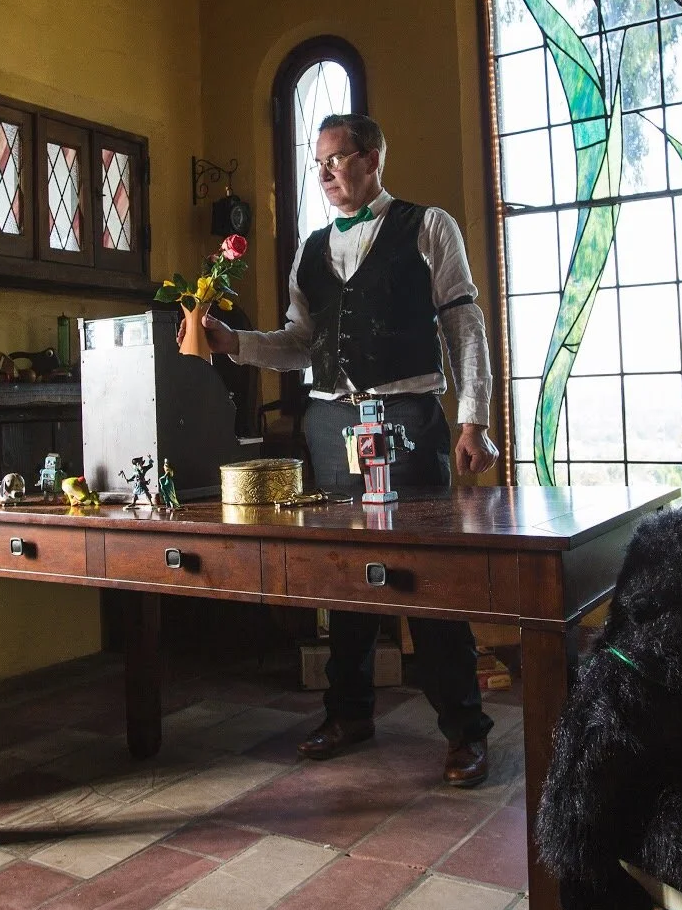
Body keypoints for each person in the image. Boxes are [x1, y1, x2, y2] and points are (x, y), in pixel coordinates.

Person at [197, 113, 502, 788]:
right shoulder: (309, 249)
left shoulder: (428, 227)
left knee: (432, 582)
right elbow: (300, 342)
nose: (327, 174)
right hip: (330, 428)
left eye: (337, 160)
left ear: (373, 159)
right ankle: (349, 713)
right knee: (344, 577)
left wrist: (473, 420)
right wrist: (235, 344)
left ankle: (465, 731)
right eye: (319, 164)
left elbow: (465, 323)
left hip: (411, 418)